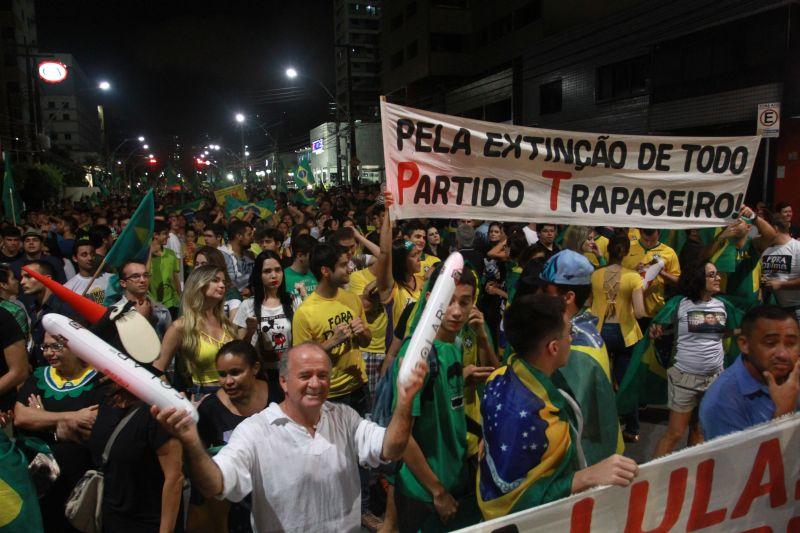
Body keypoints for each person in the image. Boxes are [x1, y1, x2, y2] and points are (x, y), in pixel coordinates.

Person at [152, 342, 428, 533]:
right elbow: (217, 484)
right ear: (284, 381)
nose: (315, 383)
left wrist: (405, 401)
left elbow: (391, 448)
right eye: (305, 375)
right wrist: (191, 441)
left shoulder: (344, 417)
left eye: (323, 375)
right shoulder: (255, 431)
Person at [477, 294, 638, 520]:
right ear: (553, 347)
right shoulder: (542, 422)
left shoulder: (497, 376)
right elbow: (518, 503)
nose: (572, 338)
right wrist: (586, 477)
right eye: (569, 333)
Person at [390, 263, 493, 531]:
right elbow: (403, 436)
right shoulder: (416, 356)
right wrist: (437, 492)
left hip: (453, 479)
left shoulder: (453, 346)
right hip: (423, 493)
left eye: (465, 301)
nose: (457, 311)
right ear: (430, 300)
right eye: (448, 302)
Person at [14, 331, 108, 533]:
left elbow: (90, 426)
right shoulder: (40, 376)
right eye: (45, 347)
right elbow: (22, 417)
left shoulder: (98, 380)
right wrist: (69, 418)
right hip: (40, 478)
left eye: (56, 346)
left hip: (79, 482)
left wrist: (43, 418)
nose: (48, 353)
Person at [539, 249, 623, 464]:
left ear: (568, 297)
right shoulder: (583, 330)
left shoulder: (575, 346)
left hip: (583, 461)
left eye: (545, 291)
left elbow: (572, 417)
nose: (538, 296)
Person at [651, 261, 733, 457]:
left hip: (714, 379)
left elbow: (728, 332)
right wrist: (657, 327)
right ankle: (649, 480)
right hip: (685, 379)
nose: (718, 278)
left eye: (717, 274)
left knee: (699, 431)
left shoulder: (723, 305)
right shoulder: (680, 303)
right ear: (699, 279)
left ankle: (690, 474)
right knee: (674, 434)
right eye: (712, 275)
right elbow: (658, 323)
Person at [191, 340, 269, 533]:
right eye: (222, 374)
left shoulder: (278, 397)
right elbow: (201, 466)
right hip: (235, 511)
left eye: (235, 372)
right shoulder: (210, 410)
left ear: (255, 368)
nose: (228, 381)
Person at [89, 380, 183, 532]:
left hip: (149, 521)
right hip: (111, 518)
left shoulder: (158, 409)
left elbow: (174, 479)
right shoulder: (105, 397)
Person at [699, 305, 799, 440]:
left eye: (791, 343)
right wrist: (784, 414)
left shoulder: (793, 372)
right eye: (770, 343)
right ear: (744, 344)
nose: (782, 354)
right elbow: (740, 460)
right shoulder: (721, 402)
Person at [590, 234, 646, 441]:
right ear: (626, 253)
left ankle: (602, 428)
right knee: (625, 381)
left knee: (601, 381)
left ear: (608, 250)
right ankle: (632, 429)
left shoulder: (595, 275)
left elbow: (589, 302)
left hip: (599, 332)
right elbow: (640, 312)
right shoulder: (633, 277)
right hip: (626, 334)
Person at [156, 265, 236, 398]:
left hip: (235, 394)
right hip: (205, 397)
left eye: (223, 281)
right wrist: (174, 398)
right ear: (199, 284)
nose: (222, 285)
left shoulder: (226, 323)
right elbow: (157, 369)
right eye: (215, 280)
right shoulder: (181, 326)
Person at [234, 250, 293, 404]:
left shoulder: (293, 301)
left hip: (290, 374)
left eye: (278, 270)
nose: (274, 275)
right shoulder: (247, 305)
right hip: (261, 377)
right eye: (267, 271)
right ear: (258, 275)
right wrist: (251, 330)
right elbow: (240, 350)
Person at [21, 260, 79, 367]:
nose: (22, 282)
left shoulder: (64, 308)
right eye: (22, 277)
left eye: (28, 276)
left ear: (47, 279)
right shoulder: (33, 308)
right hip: (42, 372)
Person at [622, 228, 680, 322]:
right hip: (628, 308)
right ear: (640, 232)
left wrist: (662, 273)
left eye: (653, 240)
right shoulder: (628, 248)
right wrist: (633, 271)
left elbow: (677, 281)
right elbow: (616, 275)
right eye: (646, 240)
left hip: (654, 310)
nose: (649, 244)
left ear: (659, 234)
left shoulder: (669, 252)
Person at [113, 260, 172, 339]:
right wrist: (141, 319)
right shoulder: (114, 313)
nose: (143, 280)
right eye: (135, 276)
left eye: (146, 275)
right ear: (123, 283)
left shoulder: (162, 310)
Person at [760, 216, 800, 321]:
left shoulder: (797, 248)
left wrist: (781, 285)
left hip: (796, 309)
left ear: (775, 229)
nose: (761, 233)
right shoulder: (766, 250)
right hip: (773, 310)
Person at [195, 245, 243, 320]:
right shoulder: (191, 290)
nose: (198, 268)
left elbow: (234, 327)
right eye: (196, 264)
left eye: (203, 264)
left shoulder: (231, 294)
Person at [149, 220, 182, 318]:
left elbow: (175, 278)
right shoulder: (144, 256)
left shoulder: (171, 254)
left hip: (172, 303)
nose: (168, 236)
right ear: (155, 235)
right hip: (153, 304)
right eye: (165, 234)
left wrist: (181, 297)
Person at [63, 239, 112, 304]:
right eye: (84, 255)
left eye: (92, 254)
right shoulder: (68, 288)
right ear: (75, 258)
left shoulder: (111, 278)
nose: (90, 258)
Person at [220, 220, 255, 298]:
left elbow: (254, 280)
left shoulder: (250, 256)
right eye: (249, 234)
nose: (252, 238)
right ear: (239, 236)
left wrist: (250, 290)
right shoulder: (222, 255)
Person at [283, 233, 318, 310]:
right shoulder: (283, 277)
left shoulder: (318, 273)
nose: (316, 258)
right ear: (300, 255)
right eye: (312, 255)